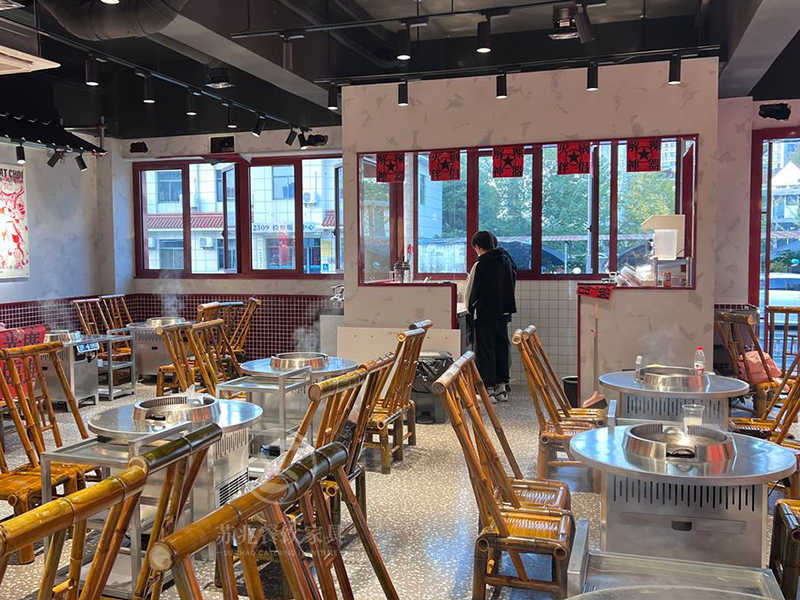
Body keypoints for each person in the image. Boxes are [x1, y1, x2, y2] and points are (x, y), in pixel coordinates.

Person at [465, 230, 517, 402]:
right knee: (502, 347)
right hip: (504, 311)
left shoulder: (480, 264)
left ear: (478, 246)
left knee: (485, 350)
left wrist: (471, 310)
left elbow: (471, 291)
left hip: (485, 313)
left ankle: (488, 390)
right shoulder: (507, 260)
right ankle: (502, 388)